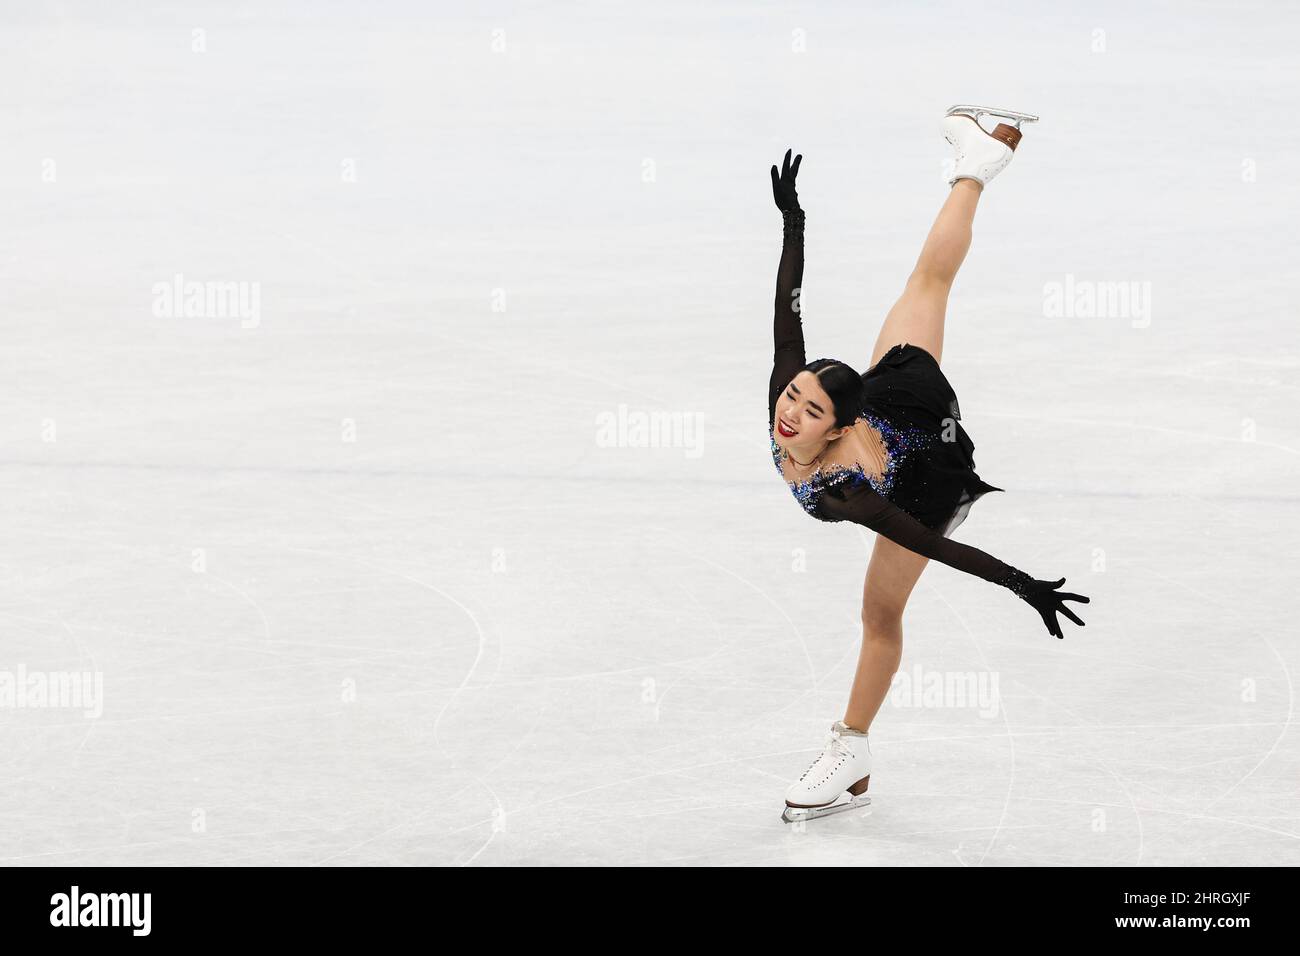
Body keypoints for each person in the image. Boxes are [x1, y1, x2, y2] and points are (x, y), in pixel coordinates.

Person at [768, 107, 1090, 823]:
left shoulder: (849, 490)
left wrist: (1021, 583)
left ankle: (850, 749)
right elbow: (787, 314)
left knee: (880, 614)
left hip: (922, 474)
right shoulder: (792, 397)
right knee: (926, 283)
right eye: (793, 397)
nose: (789, 415)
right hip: (893, 396)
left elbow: (933, 546)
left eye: (809, 411)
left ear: (838, 428)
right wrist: (794, 225)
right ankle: (979, 160)